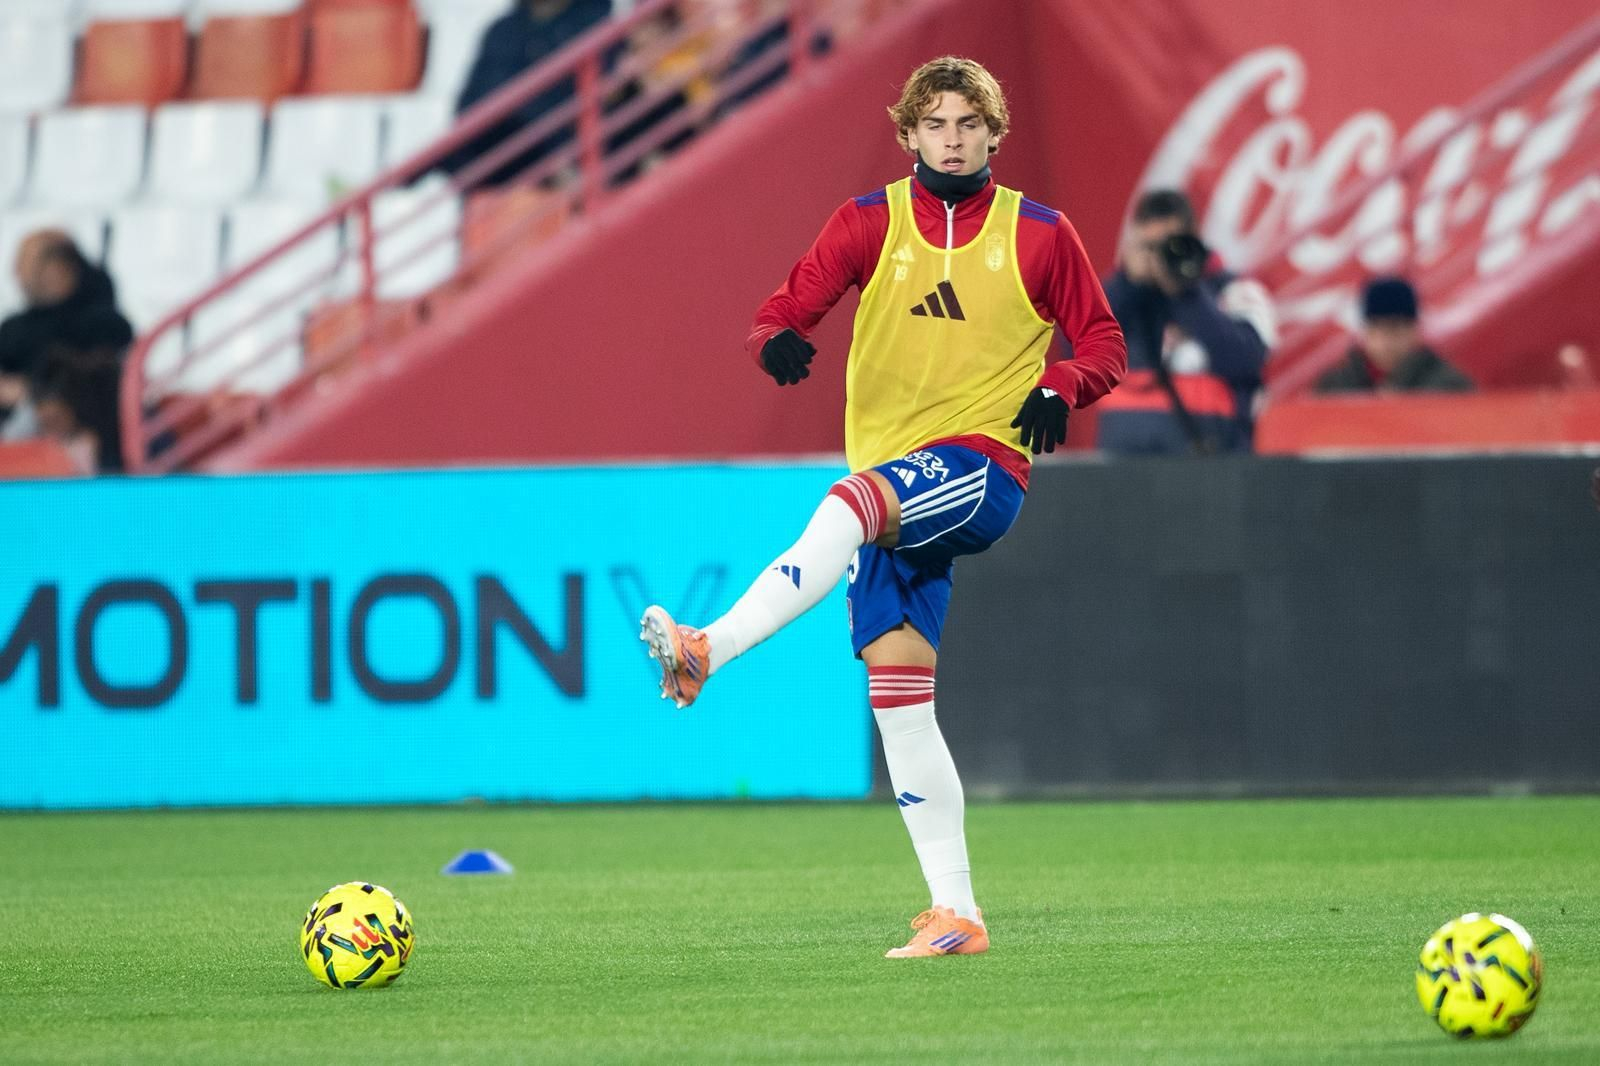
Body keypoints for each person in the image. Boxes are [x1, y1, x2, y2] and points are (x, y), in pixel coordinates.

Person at [638, 57, 1125, 958]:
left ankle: (710, 647)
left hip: (982, 468)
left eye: (969, 123)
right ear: (910, 135)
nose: (953, 137)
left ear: (993, 132)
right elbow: (785, 307)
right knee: (899, 698)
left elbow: (1102, 341)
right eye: (936, 123)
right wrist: (776, 339)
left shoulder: (1041, 233)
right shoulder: (869, 221)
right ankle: (959, 916)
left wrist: (1061, 384)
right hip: (898, 483)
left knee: (850, 502)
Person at [1094, 189, 1275, 454]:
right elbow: (1078, 353)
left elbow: (1246, 359)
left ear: (1194, 236)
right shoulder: (1119, 299)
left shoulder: (1234, 292)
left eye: (1170, 245)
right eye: (1150, 247)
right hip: (1124, 468)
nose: (1159, 258)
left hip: (1212, 465)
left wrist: (1185, 292)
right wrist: (1127, 285)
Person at [443, 0, 614, 186]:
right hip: (492, 169)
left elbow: (608, 100)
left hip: (558, 169)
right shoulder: (501, 31)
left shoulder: (602, 28)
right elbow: (466, 106)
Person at [0, 230, 132, 430]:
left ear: (59, 267)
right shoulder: (14, 327)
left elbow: (100, 382)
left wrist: (32, 390)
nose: (16, 273)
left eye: (25, 263)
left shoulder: (106, 325)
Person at [1315, 277, 1473, 393]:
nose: (1384, 342)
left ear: (1414, 331)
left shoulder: (1449, 387)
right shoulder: (1335, 386)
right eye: (1376, 330)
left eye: (1394, 331)